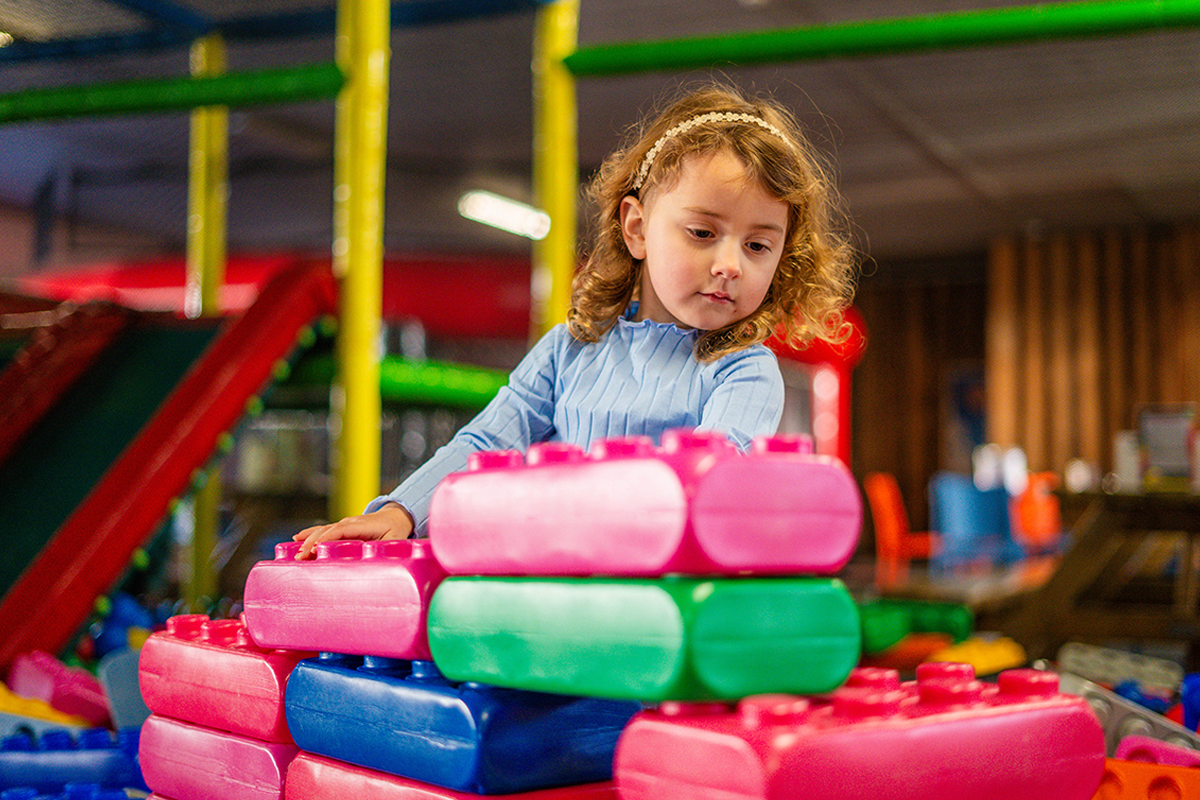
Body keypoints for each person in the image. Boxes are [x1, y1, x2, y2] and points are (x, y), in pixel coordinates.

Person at [293, 81, 856, 557]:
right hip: (549, 585)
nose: (729, 264)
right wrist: (402, 511)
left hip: (657, 606)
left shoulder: (742, 370)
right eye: (703, 233)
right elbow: (488, 439)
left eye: (758, 246)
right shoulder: (571, 348)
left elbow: (707, 476)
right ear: (637, 228)